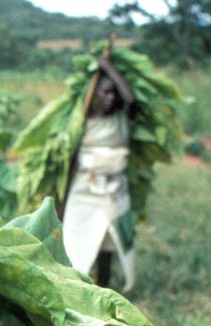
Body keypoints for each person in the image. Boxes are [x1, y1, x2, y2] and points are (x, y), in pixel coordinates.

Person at [61, 55, 137, 292]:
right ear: (94, 94)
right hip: (84, 189)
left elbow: (131, 100)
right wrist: (62, 204)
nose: (110, 96)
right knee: (76, 239)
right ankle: (76, 286)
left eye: (114, 92)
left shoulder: (121, 120)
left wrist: (107, 67)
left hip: (114, 189)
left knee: (109, 242)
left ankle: (104, 286)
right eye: (104, 91)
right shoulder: (83, 123)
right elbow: (71, 164)